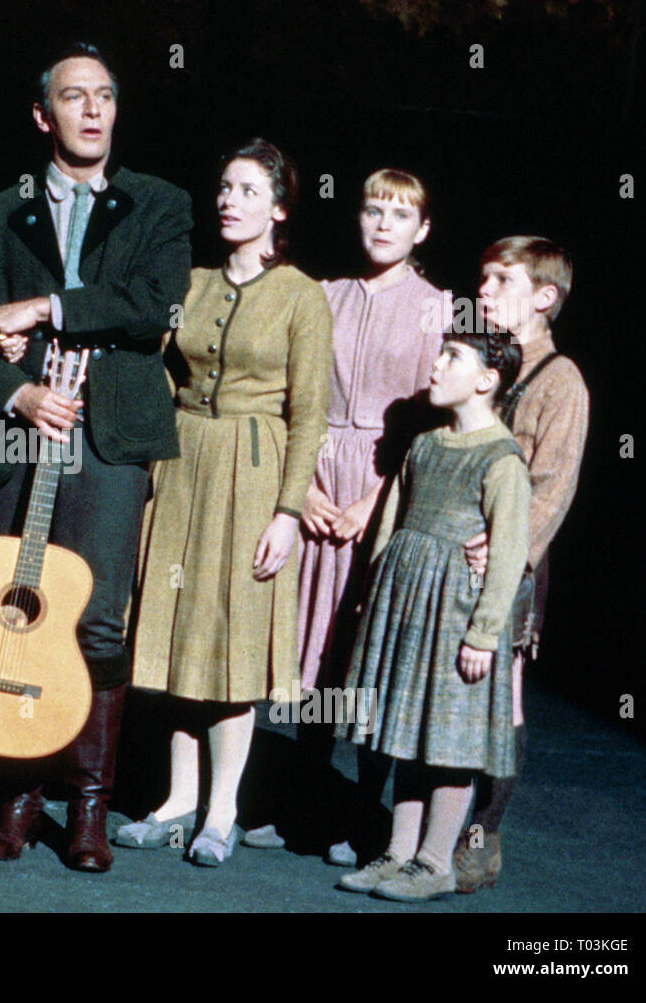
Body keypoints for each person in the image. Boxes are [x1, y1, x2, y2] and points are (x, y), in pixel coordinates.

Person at [0, 42, 192, 872]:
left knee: (94, 620)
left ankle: (89, 802)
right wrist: (20, 397)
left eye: (106, 96)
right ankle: (19, 795)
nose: (93, 110)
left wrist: (45, 305)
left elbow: (150, 306)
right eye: (73, 97)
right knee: (16, 611)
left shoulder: (159, 204)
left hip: (111, 436)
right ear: (42, 115)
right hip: (22, 438)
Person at [119, 140, 333, 866]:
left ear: (278, 209)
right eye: (223, 187)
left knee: (231, 639)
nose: (228, 200)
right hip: (183, 461)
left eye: (246, 190)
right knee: (181, 634)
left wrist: (288, 510)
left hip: (251, 470)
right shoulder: (194, 279)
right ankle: (178, 801)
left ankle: (221, 809)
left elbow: (309, 415)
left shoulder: (302, 294)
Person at [243, 169, 448, 861]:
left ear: (422, 229)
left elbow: (435, 422)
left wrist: (373, 500)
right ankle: (304, 800)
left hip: (388, 485)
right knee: (313, 651)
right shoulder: (322, 294)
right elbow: (288, 398)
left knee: (367, 653)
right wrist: (303, 494)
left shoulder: (436, 308)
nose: (383, 223)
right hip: (315, 471)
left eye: (401, 213)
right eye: (372, 209)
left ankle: (361, 811)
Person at [334, 328, 529, 901]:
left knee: (450, 739)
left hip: (458, 612)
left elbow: (510, 553)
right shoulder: (424, 445)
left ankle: (434, 861)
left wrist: (484, 633)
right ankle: (396, 852)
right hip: (407, 605)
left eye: (453, 359)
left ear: (487, 381)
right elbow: (392, 523)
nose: (437, 366)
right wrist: (375, 590)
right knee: (405, 732)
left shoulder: (502, 458)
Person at [453, 236, 587, 892]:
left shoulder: (559, 380)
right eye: (482, 278)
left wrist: (505, 547)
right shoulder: (479, 363)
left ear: (543, 297)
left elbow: (552, 485)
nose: (484, 291)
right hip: (450, 550)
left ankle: (484, 829)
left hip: (509, 564)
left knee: (500, 692)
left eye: (501, 281)